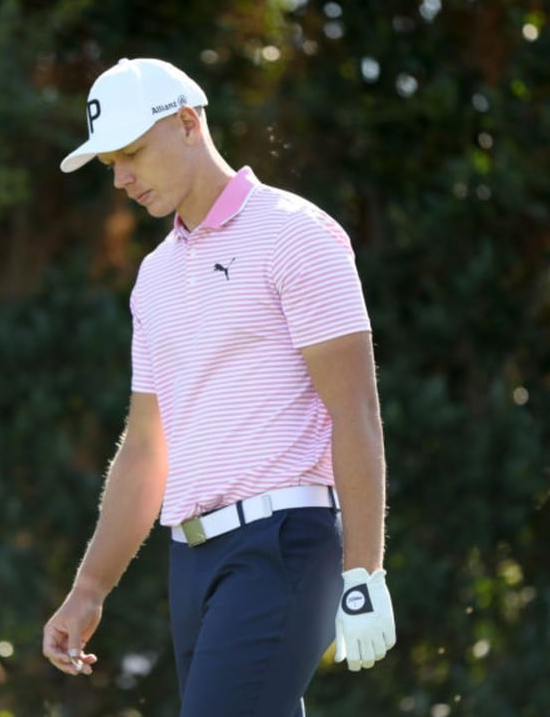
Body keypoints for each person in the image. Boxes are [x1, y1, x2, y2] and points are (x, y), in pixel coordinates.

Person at [41, 58, 396, 716]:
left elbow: (356, 411)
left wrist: (363, 572)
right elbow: (147, 447)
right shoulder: (154, 278)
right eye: (108, 163)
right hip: (193, 561)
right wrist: (90, 586)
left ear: (185, 122)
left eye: (131, 154)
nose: (119, 179)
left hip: (283, 546)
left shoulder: (295, 232)